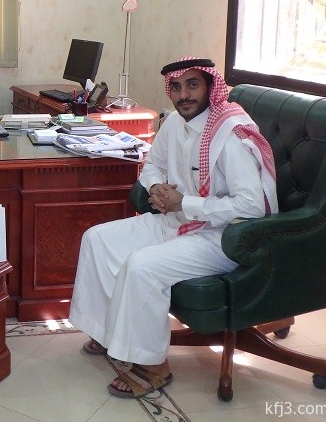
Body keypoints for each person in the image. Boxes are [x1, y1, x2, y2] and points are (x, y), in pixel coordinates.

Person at [68, 56, 278, 399]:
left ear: (209, 86)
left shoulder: (228, 134)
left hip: (223, 237)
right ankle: (109, 334)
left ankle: (153, 367)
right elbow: (153, 164)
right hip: (177, 221)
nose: (184, 95)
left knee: (142, 266)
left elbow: (252, 206)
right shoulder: (175, 123)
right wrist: (155, 188)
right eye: (177, 87)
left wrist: (186, 203)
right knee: (97, 238)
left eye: (192, 85)